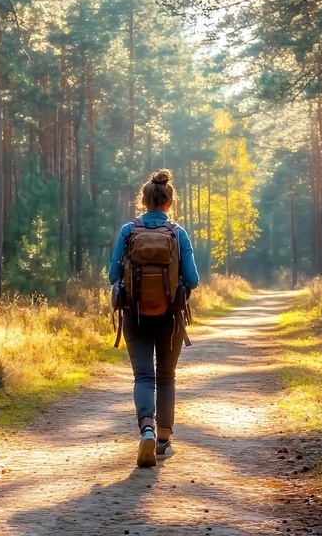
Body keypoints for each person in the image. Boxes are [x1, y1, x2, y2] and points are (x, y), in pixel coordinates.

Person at [108, 169, 200, 468]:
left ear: (144, 200)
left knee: (144, 376)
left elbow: (112, 275)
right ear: (170, 203)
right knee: (166, 377)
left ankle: (145, 428)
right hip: (170, 317)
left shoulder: (127, 231)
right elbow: (193, 279)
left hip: (134, 314)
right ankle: (163, 442)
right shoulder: (177, 233)